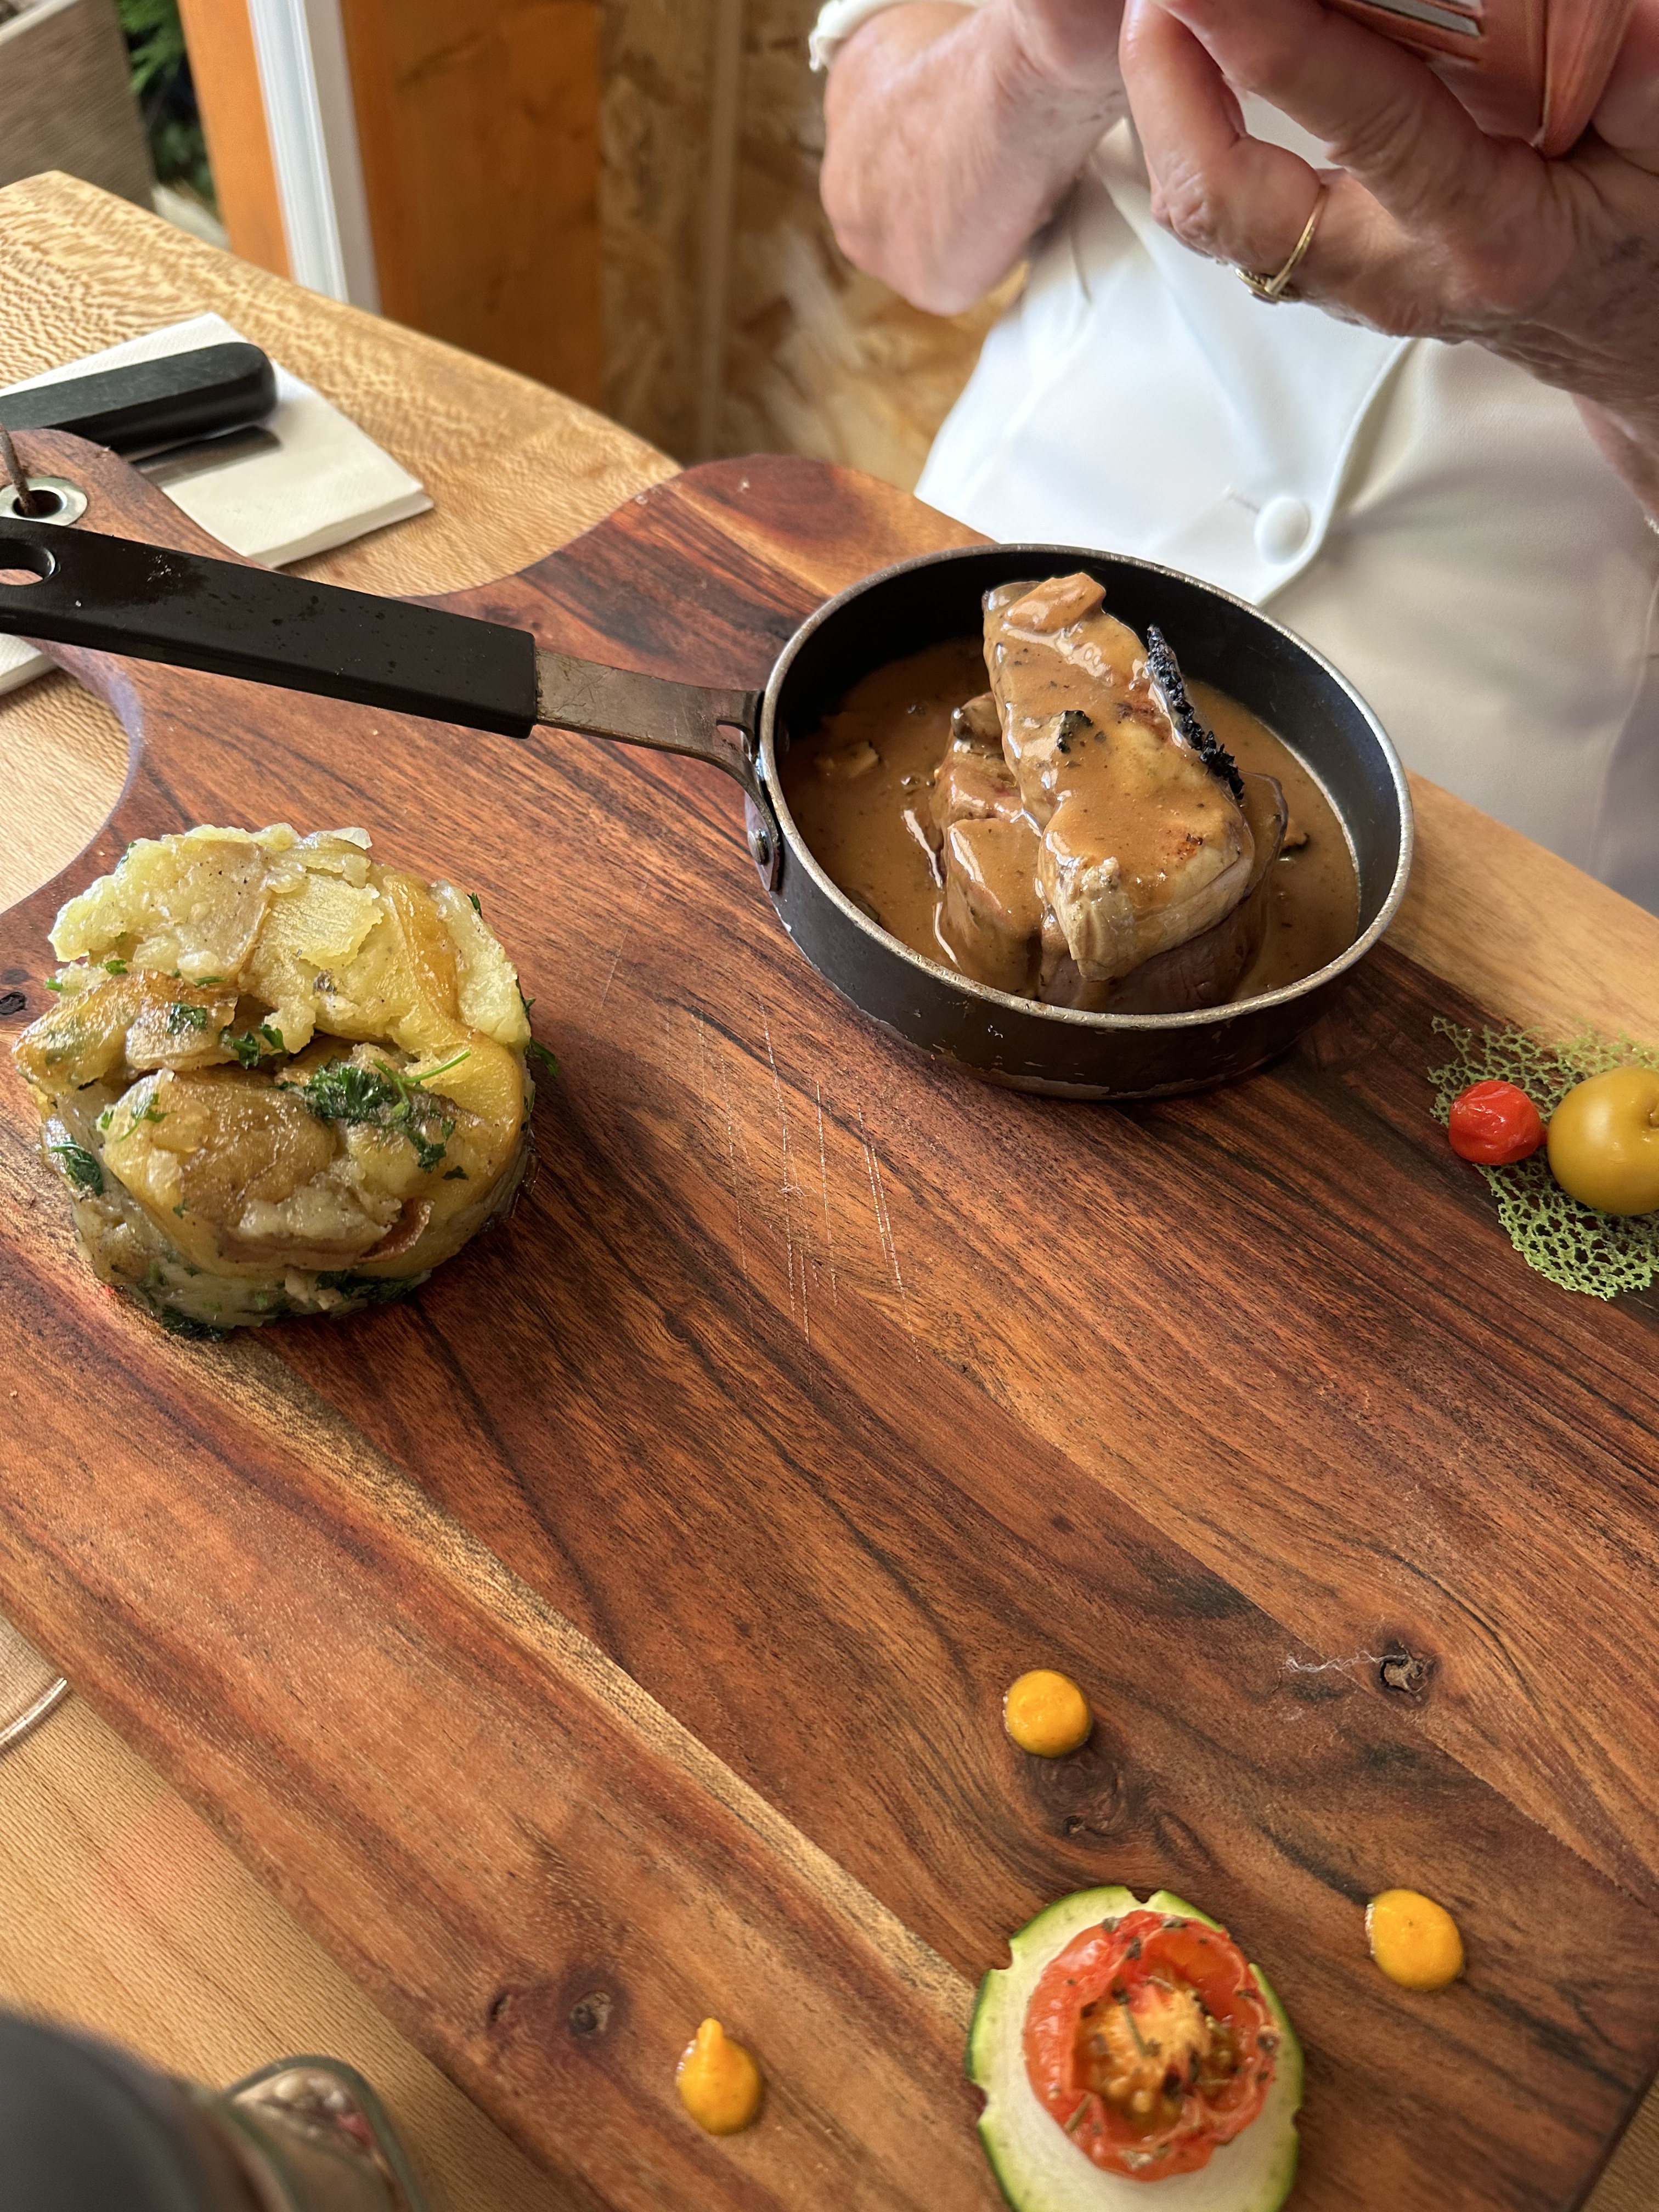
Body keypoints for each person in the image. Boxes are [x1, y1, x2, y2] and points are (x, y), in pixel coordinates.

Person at [813, 0, 1659, 912]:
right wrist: (1038, 50)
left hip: (1512, 838)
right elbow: (884, 219)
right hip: (964, 601)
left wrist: (1629, 357)